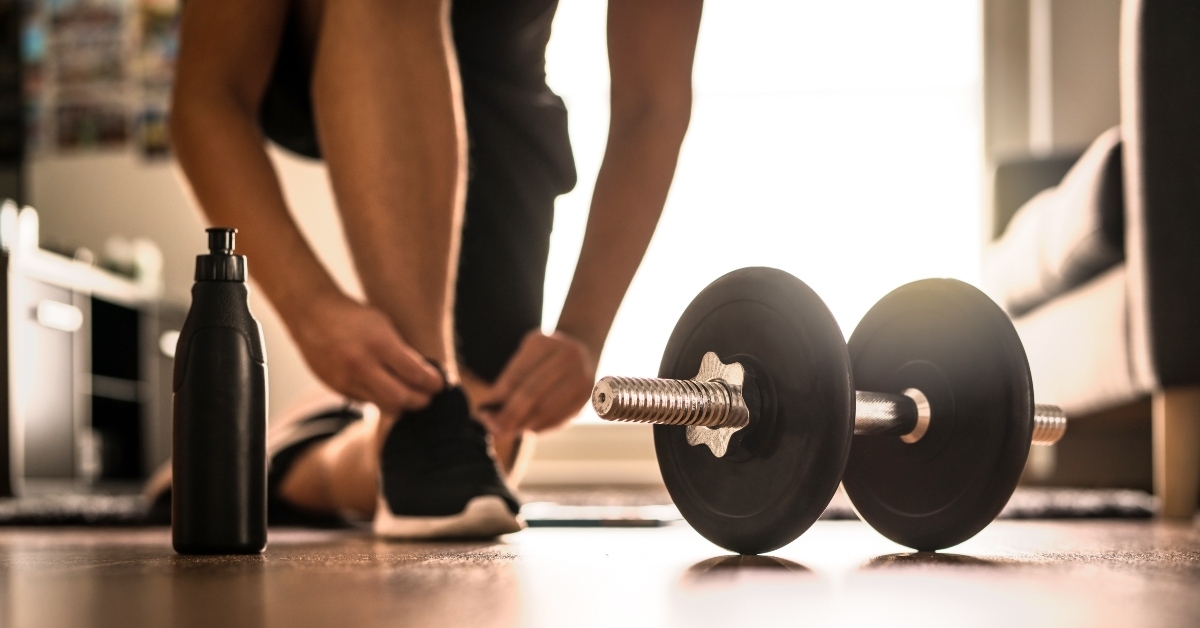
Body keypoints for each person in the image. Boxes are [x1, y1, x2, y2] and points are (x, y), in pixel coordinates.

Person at [166, 0, 702, 537]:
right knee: (438, 451)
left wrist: (583, 332)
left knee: (488, 436)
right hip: (320, 36)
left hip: (496, 81)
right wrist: (310, 308)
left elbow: (651, 103)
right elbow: (208, 93)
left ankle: (287, 455)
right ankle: (424, 409)